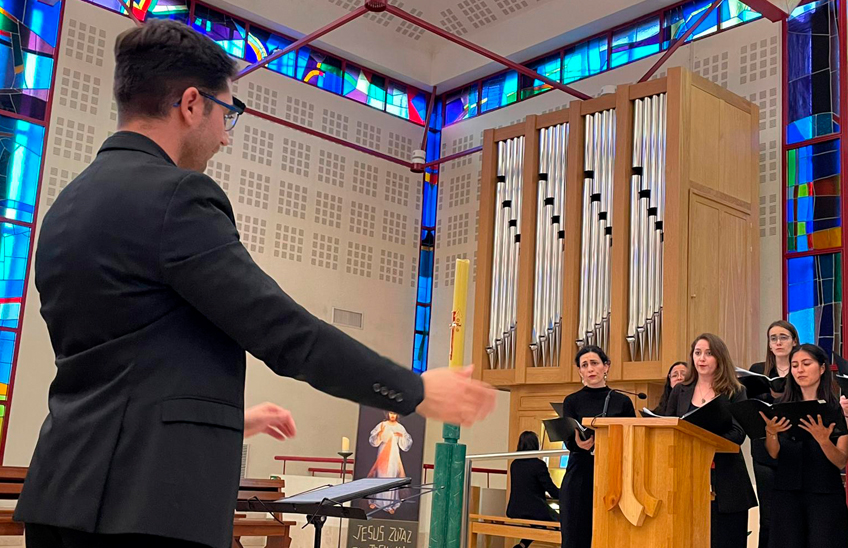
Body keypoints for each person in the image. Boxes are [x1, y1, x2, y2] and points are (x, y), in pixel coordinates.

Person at [15, 20, 497, 548]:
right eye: (228, 113)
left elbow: (121, 358)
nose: (226, 135)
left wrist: (223, 419)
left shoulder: (65, 206)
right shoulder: (178, 196)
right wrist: (416, 390)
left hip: (60, 493)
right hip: (147, 506)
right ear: (192, 104)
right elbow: (284, 331)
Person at [665, 333, 756, 548]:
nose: (702, 358)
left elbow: (738, 434)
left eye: (708, 353)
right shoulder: (680, 391)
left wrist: (699, 440)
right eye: (697, 353)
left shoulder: (735, 391)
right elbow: (669, 429)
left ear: (719, 358)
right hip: (687, 480)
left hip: (727, 480)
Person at [760, 344, 848, 548]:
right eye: (795, 365)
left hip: (824, 492)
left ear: (822, 368)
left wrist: (823, 440)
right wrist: (771, 432)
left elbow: (841, 460)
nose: (799, 370)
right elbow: (774, 454)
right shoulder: (780, 406)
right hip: (787, 491)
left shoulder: (834, 409)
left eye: (806, 364)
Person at [559, 345, 635, 548]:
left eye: (594, 363)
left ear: (606, 366)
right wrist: (577, 443)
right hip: (580, 475)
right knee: (575, 538)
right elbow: (569, 439)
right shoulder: (571, 401)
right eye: (584, 365)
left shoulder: (622, 401)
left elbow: (633, 437)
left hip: (614, 475)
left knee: (610, 537)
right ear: (580, 371)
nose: (590, 369)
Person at [748, 320, 798, 547]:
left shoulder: (800, 369)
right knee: (767, 516)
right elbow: (749, 407)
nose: (778, 342)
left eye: (783, 337)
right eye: (773, 338)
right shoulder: (758, 371)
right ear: (769, 344)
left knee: (793, 513)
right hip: (763, 450)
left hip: (793, 447)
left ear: (794, 341)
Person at [506, 431, 559, 548]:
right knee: (562, 521)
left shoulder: (515, 464)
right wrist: (566, 494)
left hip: (515, 509)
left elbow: (526, 487)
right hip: (534, 510)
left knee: (539, 525)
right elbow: (551, 489)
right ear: (535, 445)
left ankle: (522, 545)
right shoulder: (538, 465)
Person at [366, 412, 413, 513]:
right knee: (381, 475)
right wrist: (380, 434)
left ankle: (390, 504)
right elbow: (374, 440)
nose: (392, 415)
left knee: (392, 476)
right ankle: (376, 501)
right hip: (383, 453)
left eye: (394, 414)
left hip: (394, 455)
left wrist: (401, 437)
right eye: (391, 413)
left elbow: (406, 443)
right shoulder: (383, 425)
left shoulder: (400, 427)